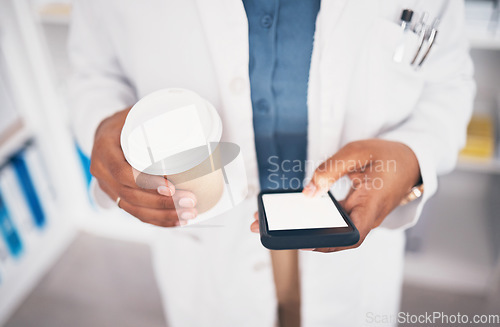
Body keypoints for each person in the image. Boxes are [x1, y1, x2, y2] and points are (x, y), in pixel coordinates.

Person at [68, 0, 475, 326]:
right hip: (209, 239)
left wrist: (413, 156)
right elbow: (93, 74)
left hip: (353, 235)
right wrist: (103, 127)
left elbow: (450, 82)